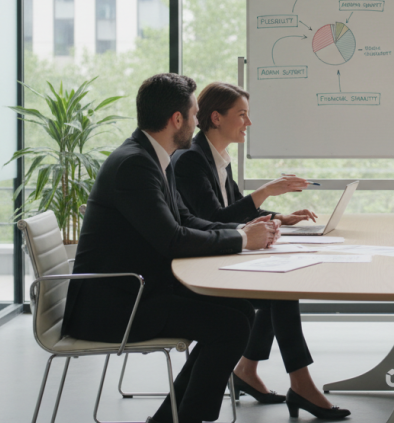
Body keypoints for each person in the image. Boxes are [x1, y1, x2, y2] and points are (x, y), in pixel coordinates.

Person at [62, 73, 281, 423]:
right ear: (176, 119)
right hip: (116, 306)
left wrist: (243, 230)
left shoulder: (153, 157)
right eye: (194, 115)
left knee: (240, 311)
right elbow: (172, 239)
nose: (197, 122)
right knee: (231, 326)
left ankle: (171, 418)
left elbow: (186, 219)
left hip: (138, 290)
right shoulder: (135, 165)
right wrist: (241, 240)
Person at [171, 81, 350, 420]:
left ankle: (248, 372)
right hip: (204, 268)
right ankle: (300, 383)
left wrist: (279, 217)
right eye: (242, 115)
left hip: (221, 256)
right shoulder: (191, 161)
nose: (248, 124)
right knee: (280, 293)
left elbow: (236, 211)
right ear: (216, 118)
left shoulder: (216, 158)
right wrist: (266, 191)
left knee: (277, 290)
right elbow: (213, 220)